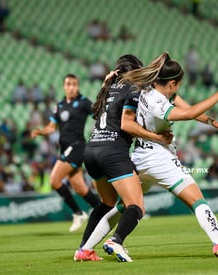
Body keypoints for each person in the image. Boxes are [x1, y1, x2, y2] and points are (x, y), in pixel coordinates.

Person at [76, 52, 218, 259]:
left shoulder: (143, 90)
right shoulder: (159, 103)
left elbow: (189, 109)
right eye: (178, 84)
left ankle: (86, 249)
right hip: (161, 159)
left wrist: (211, 122)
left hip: (139, 157)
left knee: (124, 206)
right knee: (197, 200)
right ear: (172, 84)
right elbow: (187, 113)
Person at [74, 54, 173, 262]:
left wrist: (106, 81)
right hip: (113, 152)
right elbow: (127, 124)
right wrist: (156, 136)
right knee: (136, 206)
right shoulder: (134, 89)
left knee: (107, 203)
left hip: (91, 151)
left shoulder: (107, 88)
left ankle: (84, 250)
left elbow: (96, 113)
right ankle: (116, 241)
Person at [31, 74, 99, 232]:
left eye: (74, 84)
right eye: (68, 84)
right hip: (65, 148)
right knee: (81, 189)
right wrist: (41, 131)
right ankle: (105, 213)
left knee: (54, 180)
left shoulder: (83, 102)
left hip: (77, 147)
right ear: (64, 86)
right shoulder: (60, 105)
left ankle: (78, 213)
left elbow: (98, 113)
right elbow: (51, 127)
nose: (72, 87)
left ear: (78, 86)